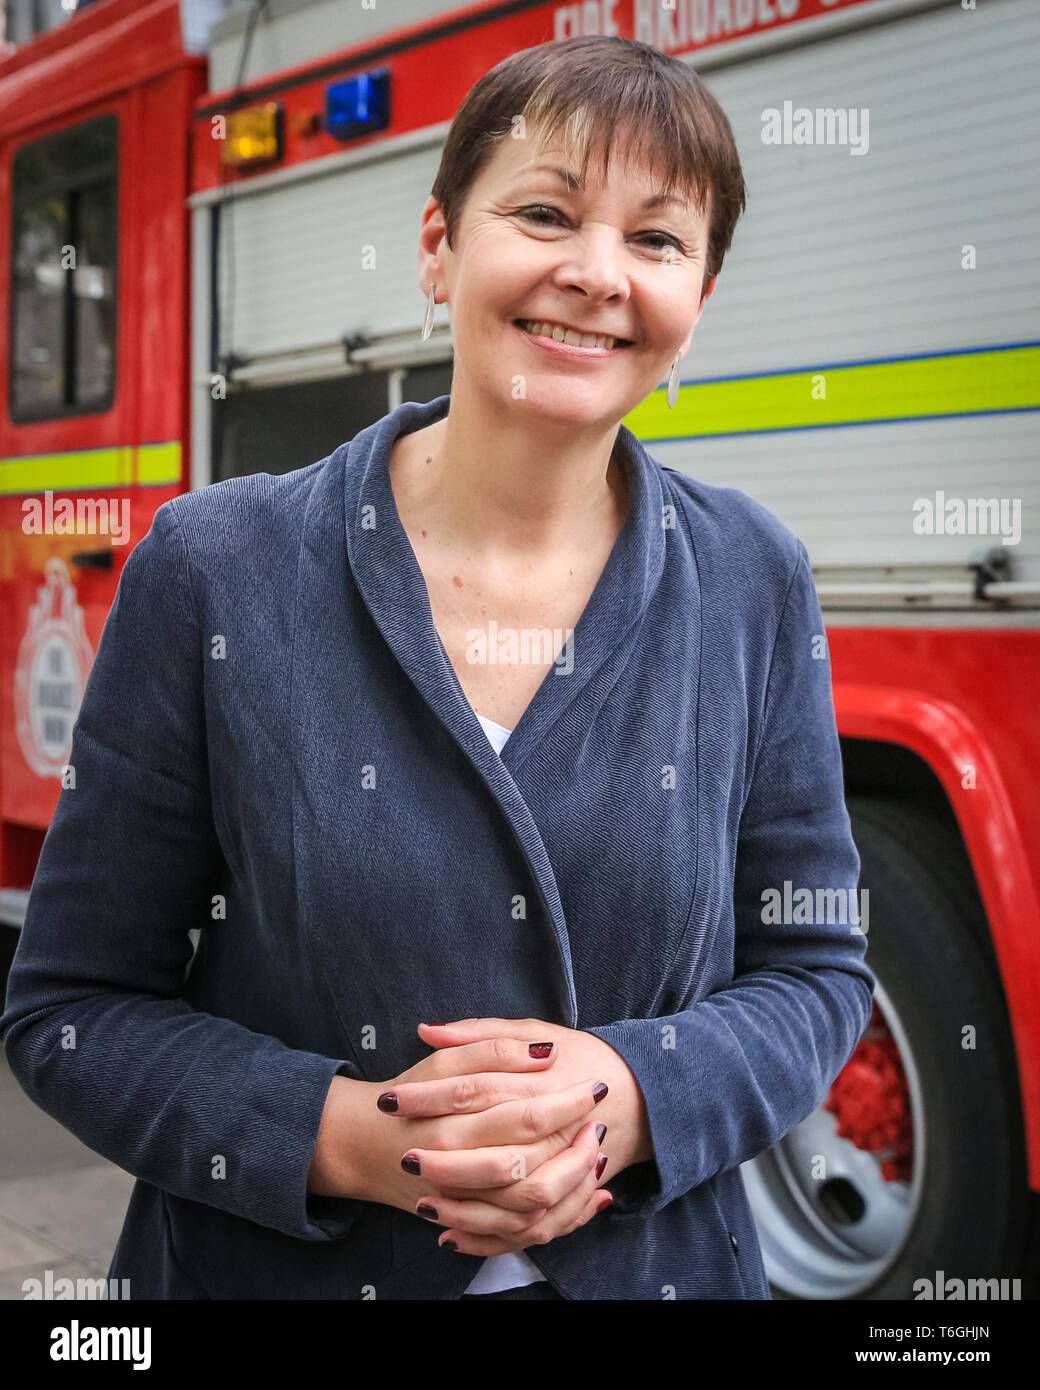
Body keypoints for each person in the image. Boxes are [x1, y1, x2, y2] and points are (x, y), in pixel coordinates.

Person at [0, 35, 874, 1300]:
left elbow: (813, 969)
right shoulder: (213, 567)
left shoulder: (753, 574)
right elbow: (70, 1007)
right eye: (543, 212)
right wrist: (351, 1140)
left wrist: (628, 1098)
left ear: (699, 298)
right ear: (435, 246)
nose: (594, 275)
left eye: (656, 240)